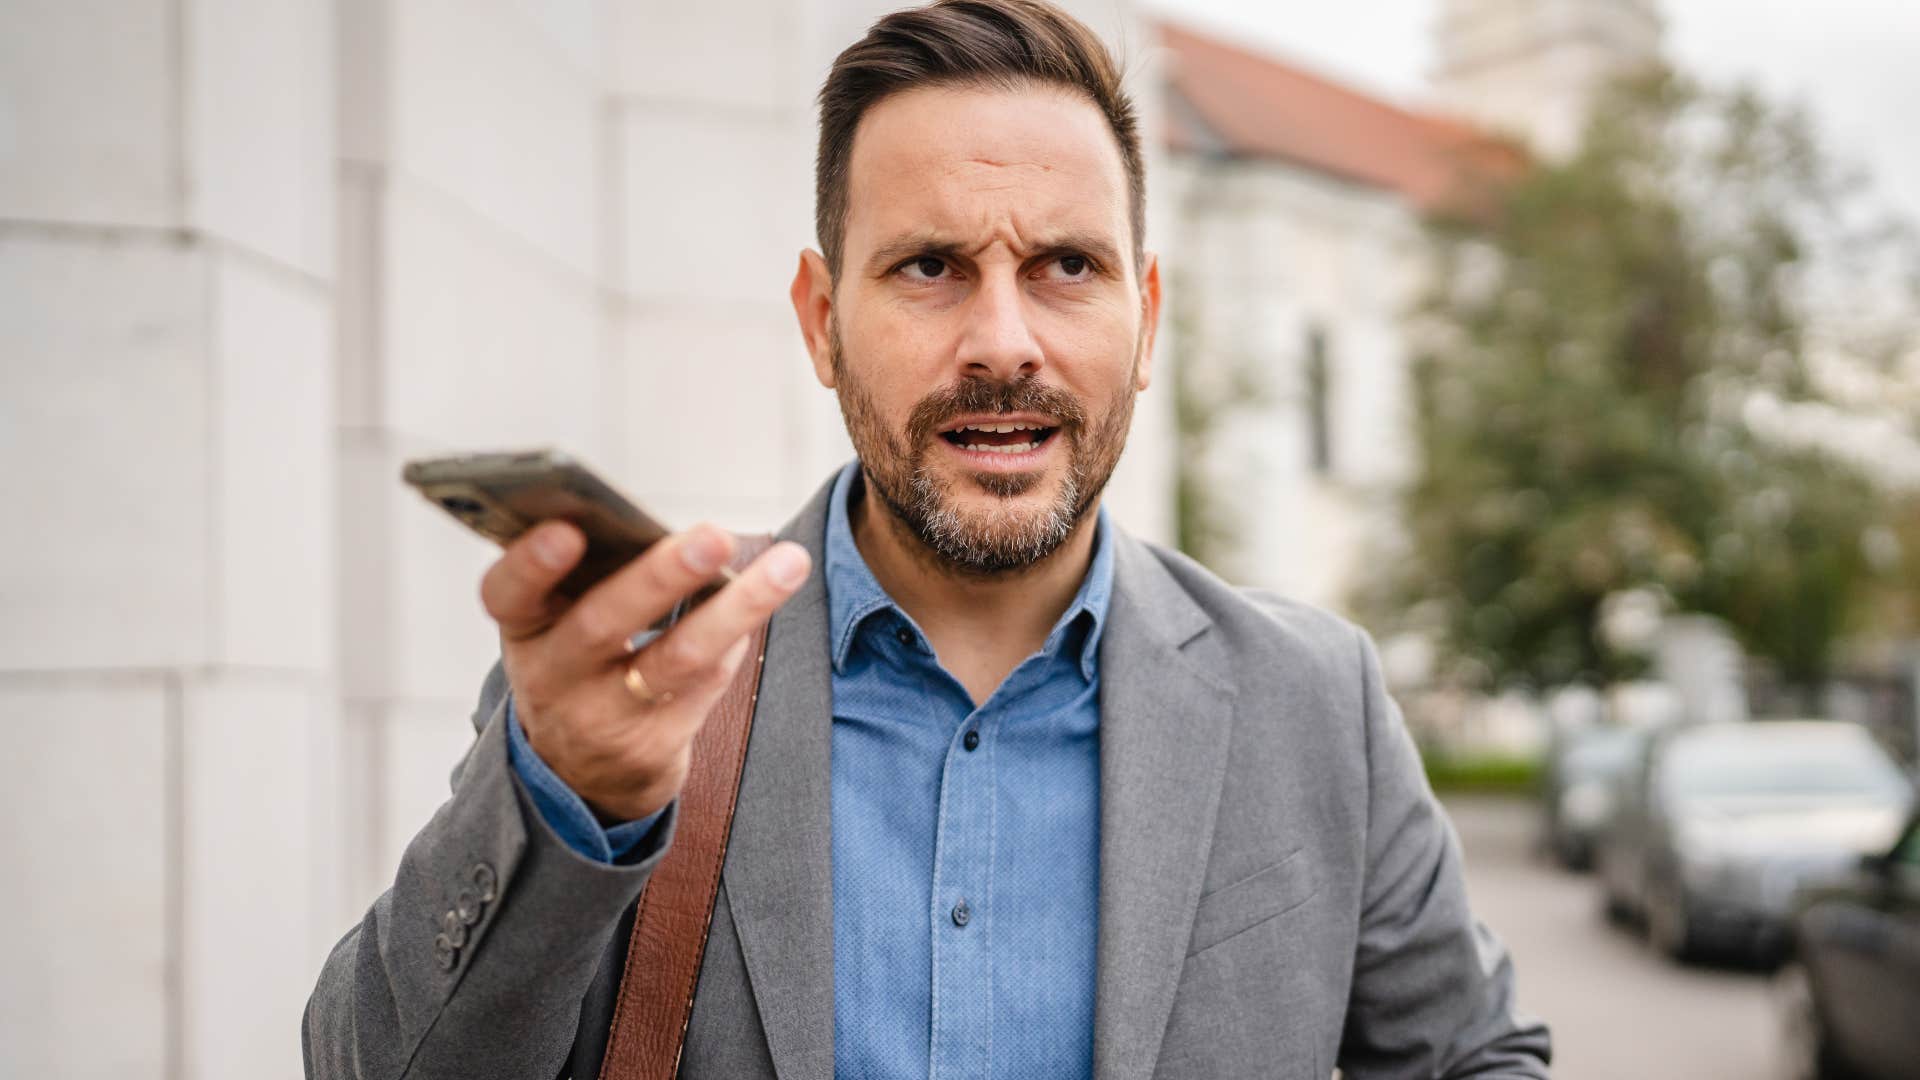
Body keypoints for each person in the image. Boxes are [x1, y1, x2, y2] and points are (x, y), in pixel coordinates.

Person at [304, 1, 1552, 1077]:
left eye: (1067, 264)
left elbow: (1474, 1057)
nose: (1004, 341)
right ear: (822, 320)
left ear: (1148, 315)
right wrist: (565, 798)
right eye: (929, 267)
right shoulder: (641, 674)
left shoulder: (1312, 702)